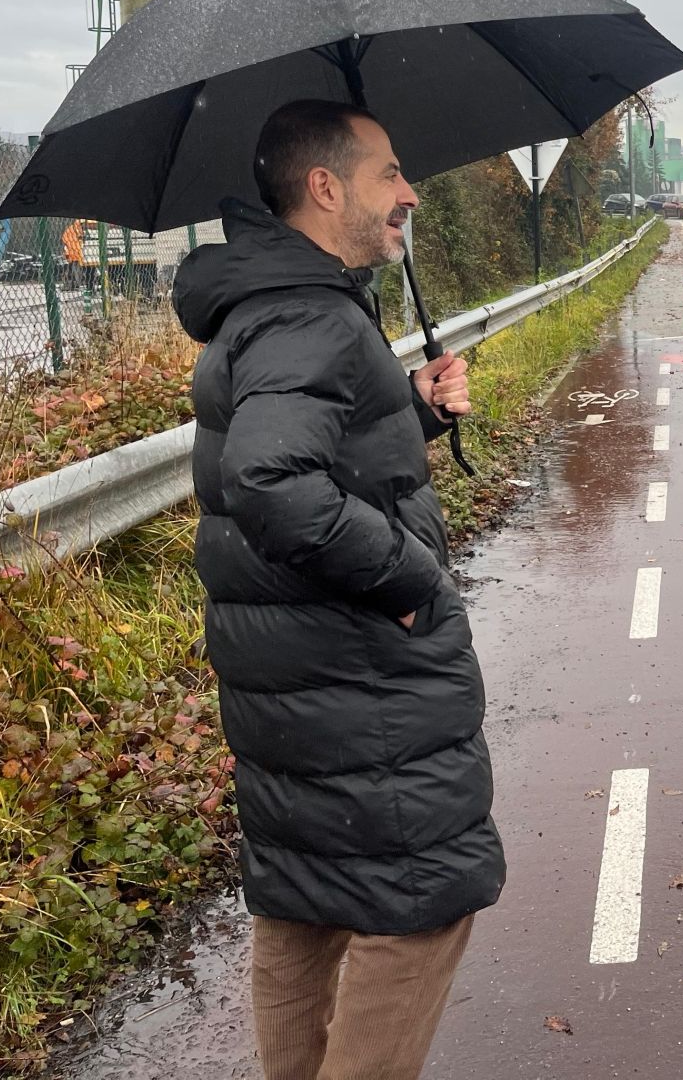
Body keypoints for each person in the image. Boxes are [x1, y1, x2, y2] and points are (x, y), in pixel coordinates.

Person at [172, 98, 505, 1080]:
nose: (409, 192)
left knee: (306, 906)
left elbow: (310, 446)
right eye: (388, 172)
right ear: (325, 188)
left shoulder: (278, 304)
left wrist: (413, 412)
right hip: (356, 686)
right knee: (421, 909)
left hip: (297, 688)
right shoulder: (307, 311)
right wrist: (411, 577)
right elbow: (272, 481)